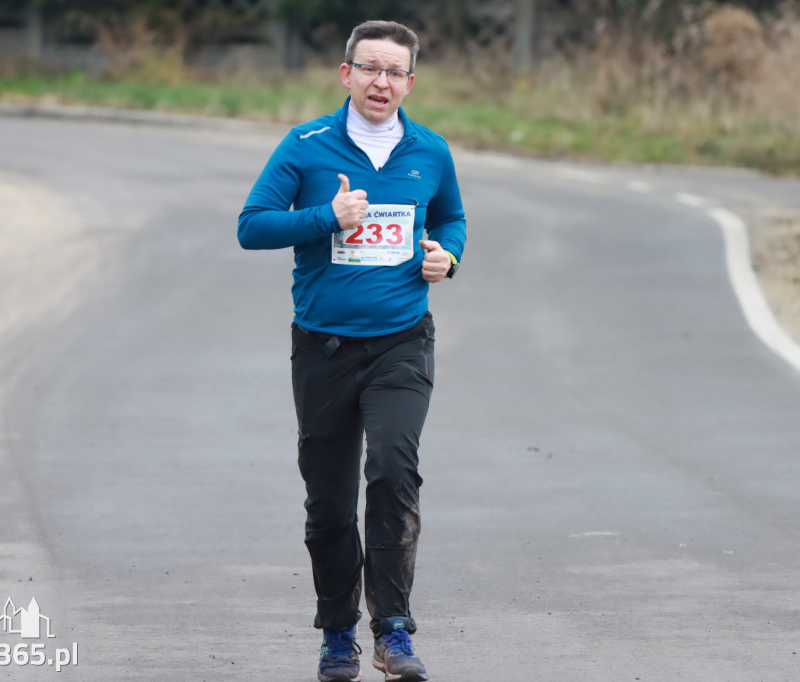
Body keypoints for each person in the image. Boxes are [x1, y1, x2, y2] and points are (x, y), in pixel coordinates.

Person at [238, 19, 466, 682]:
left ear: (410, 83)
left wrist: (446, 257)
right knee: (329, 501)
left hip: (402, 342)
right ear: (346, 74)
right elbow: (252, 227)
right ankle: (338, 634)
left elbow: (450, 216)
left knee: (393, 473)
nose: (381, 82)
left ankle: (393, 631)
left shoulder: (430, 151)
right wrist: (324, 220)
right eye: (370, 68)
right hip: (323, 349)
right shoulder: (305, 147)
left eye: (395, 72)